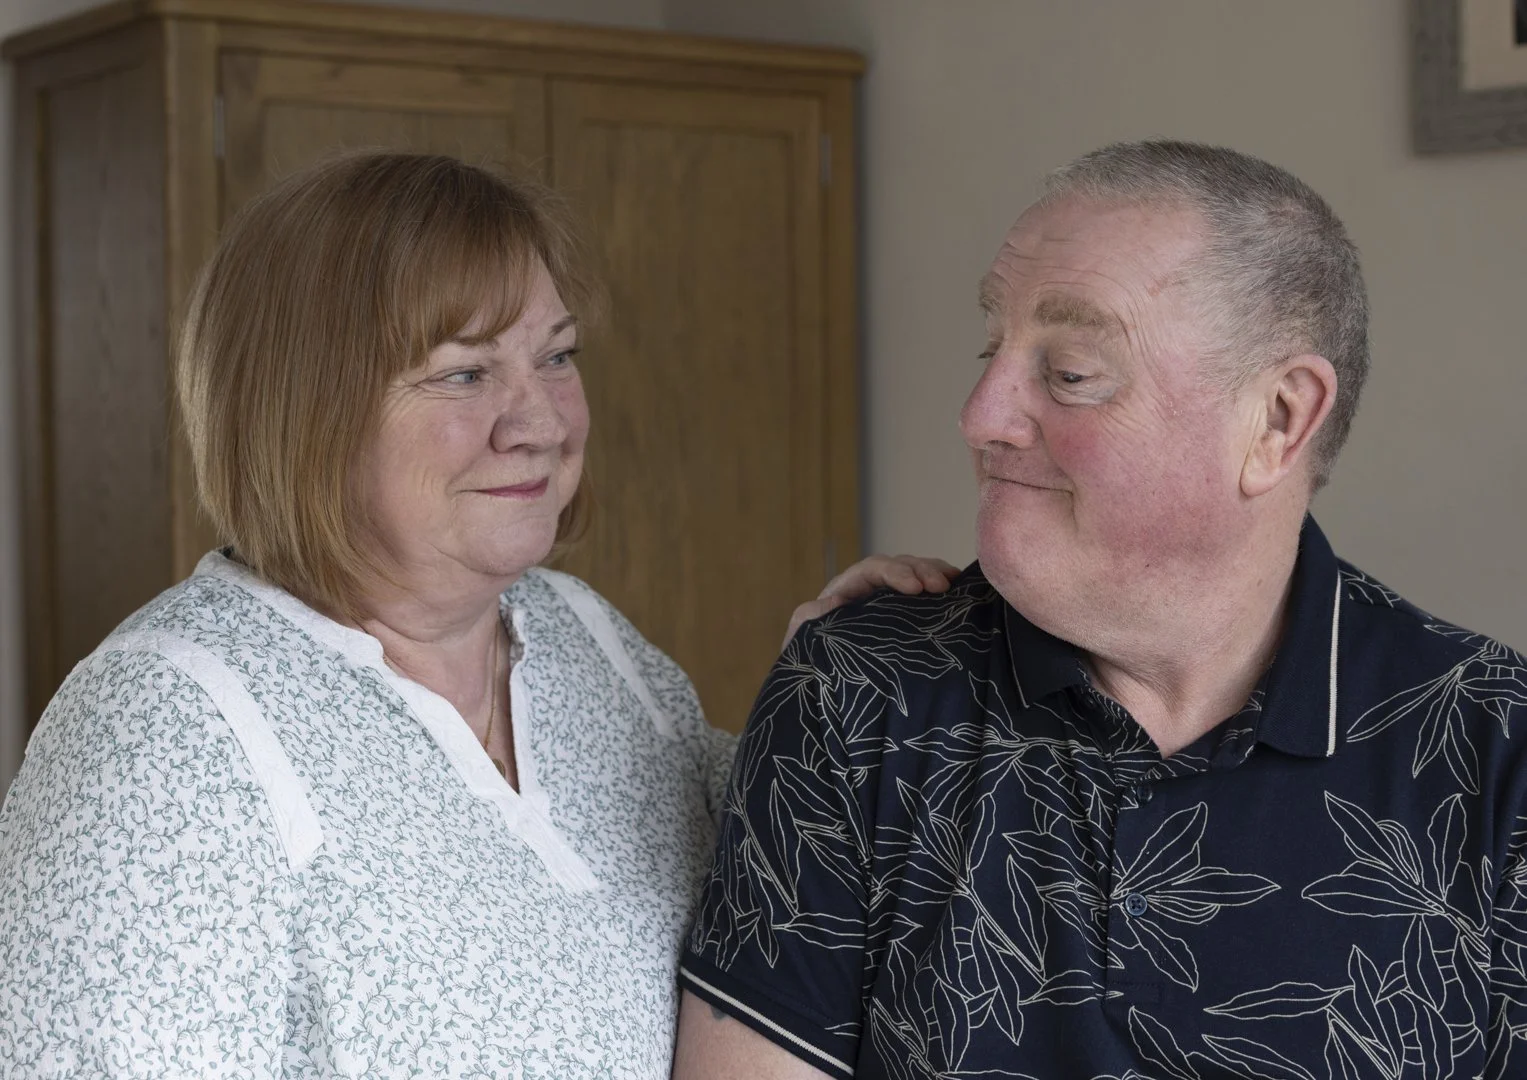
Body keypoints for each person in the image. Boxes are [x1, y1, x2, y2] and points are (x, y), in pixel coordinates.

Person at [0, 151, 956, 1078]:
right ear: (301, 408)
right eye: (464, 373)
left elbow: (778, 894)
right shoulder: (164, 728)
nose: (541, 421)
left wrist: (824, 692)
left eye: (557, 357)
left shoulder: (583, 636)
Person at [674, 139, 1527, 1079]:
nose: (979, 414)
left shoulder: (1496, 748)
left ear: (1278, 421)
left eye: (1070, 372)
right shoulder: (862, 690)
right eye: (990, 350)